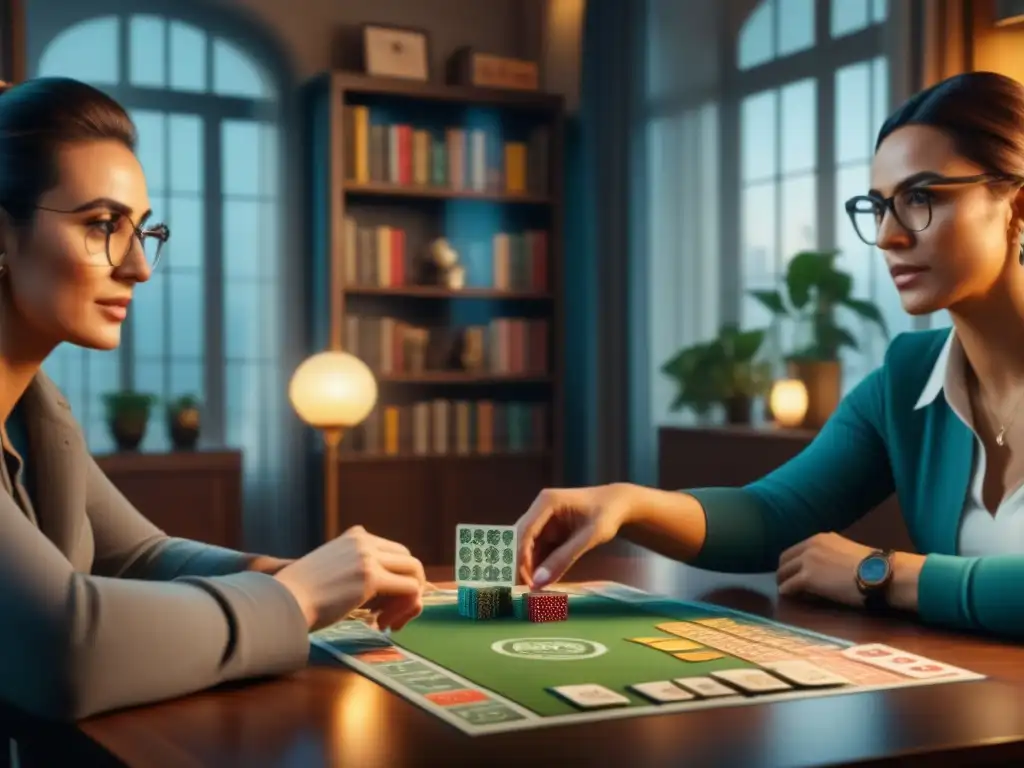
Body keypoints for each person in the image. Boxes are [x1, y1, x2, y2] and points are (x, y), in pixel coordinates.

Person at [516, 70, 1024, 641]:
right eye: (878, 207)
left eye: (920, 198)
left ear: (1017, 205)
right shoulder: (907, 383)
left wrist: (882, 574)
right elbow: (769, 517)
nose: (888, 235)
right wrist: (625, 504)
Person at [0, 77, 426, 723]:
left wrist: (282, 572)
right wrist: (298, 599)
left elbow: (136, 556)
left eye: (143, 230)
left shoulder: (38, 404)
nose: (139, 267)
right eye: (103, 224)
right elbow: (66, 646)